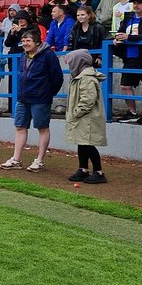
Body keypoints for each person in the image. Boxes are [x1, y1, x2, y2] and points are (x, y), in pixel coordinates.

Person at [0, 29, 63, 172]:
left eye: (28, 41)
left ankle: (39, 160)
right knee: (20, 126)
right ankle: (16, 159)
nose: (25, 44)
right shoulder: (23, 55)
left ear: (37, 42)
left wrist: (48, 93)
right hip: (23, 97)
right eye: (23, 41)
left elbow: (57, 78)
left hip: (40, 98)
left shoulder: (48, 55)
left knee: (42, 128)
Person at [64, 49, 107, 185]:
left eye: (71, 62)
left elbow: (88, 100)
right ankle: (83, 169)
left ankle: (98, 172)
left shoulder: (87, 78)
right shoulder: (80, 77)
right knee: (81, 143)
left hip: (87, 118)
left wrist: (76, 112)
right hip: (82, 118)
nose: (70, 66)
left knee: (88, 144)